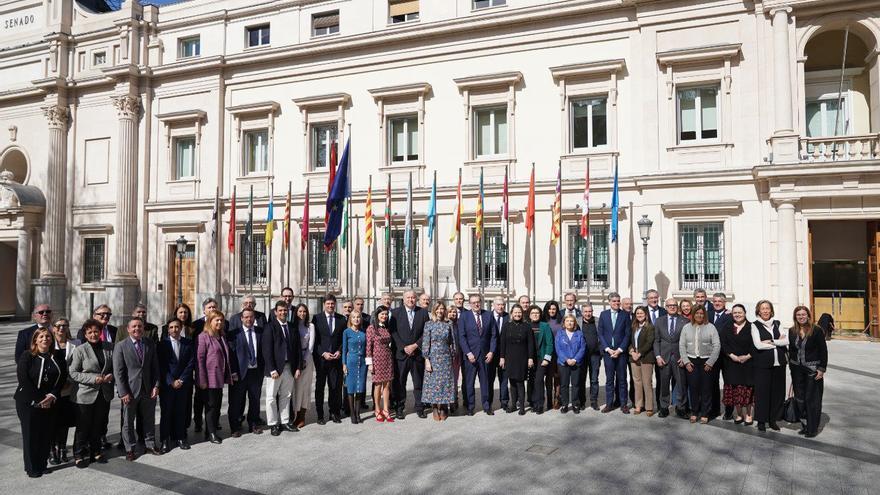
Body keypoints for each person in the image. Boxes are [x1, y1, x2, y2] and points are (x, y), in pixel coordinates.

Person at [15, 328, 67, 478]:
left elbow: (62, 377)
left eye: (48, 336)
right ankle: (31, 468)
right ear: (35, 340)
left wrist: (52, 395)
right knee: (31, 435)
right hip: (28, 402)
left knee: (46, 434)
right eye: (42, 336)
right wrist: (39, 399)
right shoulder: (27, 356)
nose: (45, 339)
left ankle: (42, 464)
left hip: (50, 402)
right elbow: (23, 379)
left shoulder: (57, 356)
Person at [113, 318, 161, 461]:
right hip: (130, 391)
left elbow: (155, 367)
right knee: (128, 421)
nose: (137, 329)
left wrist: (156, 385)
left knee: (149, 419)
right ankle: (130, 449)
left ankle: (150, 444)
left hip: (148, 389)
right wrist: (123, 392)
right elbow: (118, 372)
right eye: (134, 327)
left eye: (139, 326)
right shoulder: (121, 346)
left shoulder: (149, 343)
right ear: (128, 329)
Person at [68, 319, 114, 467]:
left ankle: (96, 451)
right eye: (90, 332)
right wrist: (95, 379)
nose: (93, 334)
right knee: (83, 426)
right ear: (85, 334)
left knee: (98, 425)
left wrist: (111, 375)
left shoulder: (109, 347)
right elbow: (73, 373)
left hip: (103, 393)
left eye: (96, 331)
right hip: (85, 394)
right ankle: (79, 454)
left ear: (100, 332)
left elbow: (115, 366)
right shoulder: (80, 350)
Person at [789, 306, 828, 438]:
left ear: (808, 315)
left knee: (812, 399)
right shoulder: (792, 330)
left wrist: (821, 369)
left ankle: (812, 428)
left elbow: (823, 350)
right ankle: (805, 425)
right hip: (796, 370)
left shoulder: (816, 330)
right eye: (798, 315)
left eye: (803, 314)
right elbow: (792, 350)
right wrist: (791, 366)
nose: (801, 317)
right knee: (800, 398)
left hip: (813, 370)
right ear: (795, 317)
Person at [264, 301, 302, 434]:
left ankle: (285, 421)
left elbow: (298, 350)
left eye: (285, 310)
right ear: (275, 312)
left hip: (289, 368)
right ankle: (273, 424)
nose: (283, 312)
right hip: (275, 370)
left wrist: (298, 367)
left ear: (288, 311)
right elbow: (266, 350)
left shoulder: (292, 327)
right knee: (271, 397)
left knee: (286, 395)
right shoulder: (270, 327)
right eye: (280, 310)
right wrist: (272, 369)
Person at [157, 318, 194, 453]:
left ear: (181, 328)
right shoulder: (162, 345)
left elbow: (191, 363)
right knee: (166, 413)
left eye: (177, 327)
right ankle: (165, 439)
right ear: (168, 329)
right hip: (168, 385)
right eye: (171, 327)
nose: (174, 330)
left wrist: (182, 380)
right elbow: (161, 366)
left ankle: (181, 437)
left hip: (183, 385)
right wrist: (171, 381)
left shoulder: (188, 343)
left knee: (181, 412)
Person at [196, 310, 233, 444]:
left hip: (219, 377)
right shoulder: (203, 336)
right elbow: (200, 359)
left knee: (217, 405)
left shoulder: (222, 335)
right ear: (209, 321)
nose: (219, 322)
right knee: (211, 406)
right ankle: (211, 433)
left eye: (221, 320)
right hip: (209, 378)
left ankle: (210, 430)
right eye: (216, 320)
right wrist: (202, 379)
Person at [458, 293, 498, 415]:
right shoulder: (464, 316)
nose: (476, 304)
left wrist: (491, 351)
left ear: (481, 302)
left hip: (485, 355)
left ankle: (487, 406)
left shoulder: (488, 315)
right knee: (469, 383)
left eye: (478, 301)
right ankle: (470, 407)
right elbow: (462, 337)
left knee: (485, 382)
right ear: (469, 304)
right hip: (470, 356)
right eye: (473, 302)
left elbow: (494, 335)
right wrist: (468, 353)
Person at [391, 290, 428, 419]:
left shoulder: (423, 312)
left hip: (417, 354)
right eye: (408, 297)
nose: (411, 300)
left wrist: (415, 345)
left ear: (416, 299)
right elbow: (393, 332)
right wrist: (404, 347)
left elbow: (426, 332)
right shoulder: (395, 313)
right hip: (401, 354)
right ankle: (400, 408)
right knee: (400, 383)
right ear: (403, 298)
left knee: (419, 382)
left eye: (413, 297)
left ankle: (420, 407)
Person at [679, 306, 720, 424]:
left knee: (706, 389)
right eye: (697, 313)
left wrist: (710, 362)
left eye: (702, 313)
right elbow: (682, 345)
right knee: (693, 388)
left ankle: (705, 413)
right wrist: (686, 361)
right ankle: (694, 412)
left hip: (706, 362)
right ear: (693, 314)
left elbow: (717, 345)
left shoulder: (711, 327)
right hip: (692, 361)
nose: (699, 315)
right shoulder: (686, 327)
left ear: (704, 315)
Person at [227, 308, 264, 437]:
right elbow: (230, 355)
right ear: (241, 318)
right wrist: (233, 372)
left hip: (255, 372)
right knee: (236, 401)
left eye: (251, 317)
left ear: (254, 318)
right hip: (239, 373)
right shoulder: (234, 334)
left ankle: (253, 423)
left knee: (255, 400)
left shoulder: (260, 332)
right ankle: (235, 427)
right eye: (246, 317)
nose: (249, 319)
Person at [751, 300, 787, 432]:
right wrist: (779, 342)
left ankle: (773, 420)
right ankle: (761, 421)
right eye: (763, 308)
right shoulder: (754, 325)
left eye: (767, 308)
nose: (765, 311)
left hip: (780, 364)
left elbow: (786, 341)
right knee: (762, 393)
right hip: (763, 365)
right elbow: (758, 345)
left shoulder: (778, 323)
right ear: (758, 311)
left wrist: (772, 341)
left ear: (771, 311)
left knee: (777, 393)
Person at [719, 304, 755, 425]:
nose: (737, 315)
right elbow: (723, 343)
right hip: (731, 363)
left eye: (740, 312)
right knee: (735, 390)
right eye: (735, 313)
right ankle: (739, 414)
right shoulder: (727, 327)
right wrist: (732, 355)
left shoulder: (752, 327)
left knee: (747, 390)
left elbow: (755, 344)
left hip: (748, 363)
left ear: (745, 313)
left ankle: (749, 415)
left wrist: (748, 356)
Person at [312, 294, 345, 424]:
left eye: (332, 304)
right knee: (320, 388)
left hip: (336, 359)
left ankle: (334, 412)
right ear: (324, 304)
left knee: (335, 387)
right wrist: (322, 353)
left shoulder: (341, 319)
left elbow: (344, 339)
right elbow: (315, 340)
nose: (330, 306)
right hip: (322, 360)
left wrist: (339, 351)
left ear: (335, 304)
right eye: (328, 304)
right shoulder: (316, 318)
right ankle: (320, 415)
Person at [50, 317, 78, 465]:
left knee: (65, 421)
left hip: (68, 388)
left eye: (65, 325)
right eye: (59, 326)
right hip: (52, 389)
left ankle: (62, 448)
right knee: (52, 421)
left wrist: (70, 381)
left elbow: (78, 365)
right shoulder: (47, 343)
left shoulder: (75, 344)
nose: (62, 328)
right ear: (53, 328)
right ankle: (52, 449)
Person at [421, 302, 456, 420]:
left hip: (446, 358)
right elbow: (426, 343)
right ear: (434, 310)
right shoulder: (429, 324)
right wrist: (427, 360)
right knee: (433, 384)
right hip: (433, 357)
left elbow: (452, 342)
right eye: (438, 309)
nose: (440, 311)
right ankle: (435, 407)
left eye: (442, 309)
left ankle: (444, 406)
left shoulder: (449, 324)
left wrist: (453, 356)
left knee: (445, 384)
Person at [654, 298, 688, 418]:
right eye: (670, 305)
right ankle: (664, 407)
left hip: (679, 358)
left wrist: (685, 357)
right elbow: (656, 340)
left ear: (677, 307)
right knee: (664, 384)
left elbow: (688, 341)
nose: (672, 307)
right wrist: (658, 356)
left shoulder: (685, 321)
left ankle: (681, 408)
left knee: (681, 384)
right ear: (666, 307)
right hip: (664, 358)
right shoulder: (659, 321)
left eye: (674, 305)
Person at [598, 293, 631, 413]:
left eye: (618, 301)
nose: (616, 303)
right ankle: (609, 403)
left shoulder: (625, 315)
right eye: (614, 301)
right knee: (609, 380)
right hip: (608, 353)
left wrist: (620, 349)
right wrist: (607, 348)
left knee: (622, 380)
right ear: (609, 302)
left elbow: (628, 334)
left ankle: (623, 404)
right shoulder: (603, 315)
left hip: (621, 353)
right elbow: (600, 333)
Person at [499, 305, 535, 415]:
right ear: (511, 313)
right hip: (509, 358)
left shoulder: (527, 326)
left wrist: (530, 358)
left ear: (522, 314)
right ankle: (513, 405)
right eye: (515, 312)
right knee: (512, 382)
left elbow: (531, 344)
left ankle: (522, 407)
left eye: (519, 312)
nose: (517, 314)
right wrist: (502, 357)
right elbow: (502, 343)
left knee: (520, 382)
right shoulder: (506, 326)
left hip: (522, 358)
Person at [367, 305, 395, 422]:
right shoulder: (371, 328)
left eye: (386, 314)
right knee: (378, 386)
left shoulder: (387, 328)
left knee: (387, 386)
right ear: (377, 315)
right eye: (382, 314)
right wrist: (370, 363)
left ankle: (386, 409)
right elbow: (368, 347)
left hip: (388, 359)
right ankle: (377, 410)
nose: (384, 316)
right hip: (377, 360)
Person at [629, 306, 656, 416]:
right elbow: (630, 341)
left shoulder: (650, 327)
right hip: (634, 358)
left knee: (647, 383)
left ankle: (649, 407)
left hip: (646, 358)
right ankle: (638, 405)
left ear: (646, 314)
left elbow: (649, 343)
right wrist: (631, 352)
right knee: (637, 383)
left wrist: (639, 353)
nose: (639, 315)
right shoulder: (634, 326)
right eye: (637, 313)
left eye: (641, 313)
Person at [556, 315, 586, 413]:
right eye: (567, 321)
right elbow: (558, 348)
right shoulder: (560, 334)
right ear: (564, 323)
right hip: (563, 363)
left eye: (572, 321)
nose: (569, 323)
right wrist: (566, 359)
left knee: (576, 384)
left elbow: (582, 348)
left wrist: (575, 359)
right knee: (564, 385)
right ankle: (564, 404)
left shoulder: (579, 333)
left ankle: (575, 404)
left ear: (575, 323)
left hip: (576, 363)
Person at [292, 303, 315, 428]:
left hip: (307, 359)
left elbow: (310, 346)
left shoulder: (310, 326)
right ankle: (293, 415)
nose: (302, 314)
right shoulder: (293, 326)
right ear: (296, 313)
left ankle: (302, 416)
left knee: (304, 388)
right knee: (295, 388)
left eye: (304, 311)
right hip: (295, 359)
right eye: (300, 311)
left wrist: (304, 360)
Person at [342, 312, 368, 424]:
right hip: (351, 361)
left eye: (358, 317)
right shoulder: (346, 332)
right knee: (351, 388)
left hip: (362, 362)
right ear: (350, 319)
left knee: (360, 388)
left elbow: (367, 349)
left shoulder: (363, 332)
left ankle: (358, 413)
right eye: (354, 317)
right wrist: (344, 364)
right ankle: (352, 413)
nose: (356, 319)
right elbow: (344, 349)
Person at [527, 305, 553, 414]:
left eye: (537, 313)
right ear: (529, 315)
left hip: (541, 358)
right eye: (533, 313)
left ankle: (540, 404)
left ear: (540, 314)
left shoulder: (545, 326)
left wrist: (547, 358)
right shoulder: (526, 325)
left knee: (538, 381)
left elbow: (549, 343)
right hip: (529, 358)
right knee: (531, 381)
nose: (535, 315)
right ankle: (532, 403)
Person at [577, 303, 601, 410]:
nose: (588, 313)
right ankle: (582, 401)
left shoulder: (597, 321)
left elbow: (602, 336)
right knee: (581, 379)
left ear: (592, 311)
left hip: (595, 355)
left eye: (590, 311)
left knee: (594, 379)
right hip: (581, 356)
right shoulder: (577, 321)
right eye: (585, 311)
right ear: (582, 312)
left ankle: (594, 401)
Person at [489, 296, 509, 410]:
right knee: (490, 379)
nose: (501, 307)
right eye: (498, 304)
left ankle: (504, 402)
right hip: (491, 353)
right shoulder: (487, 316)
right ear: (493, 305)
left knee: (504, 379)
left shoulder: (508, 317)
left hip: (505, 354)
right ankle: (489, 403)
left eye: (503, 305)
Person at [542, 300, 562, 409]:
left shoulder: (561, 320)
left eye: (554, 309)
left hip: (558, 353)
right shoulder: (543, 320)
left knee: (558, 377)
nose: (552, 311)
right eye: (550, 309)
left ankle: (557, 399)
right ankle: (549, 400)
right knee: (548, 378)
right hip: (547, 353)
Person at [447, 305, 463, 413]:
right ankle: (448, 401)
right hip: (447, 357)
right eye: (451, 312)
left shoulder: (458, 324)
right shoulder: (445, 325)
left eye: (454, 312)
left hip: (457, 356)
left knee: (455, 379)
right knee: (448, 380)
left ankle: (454, 400)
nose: (453, 314)